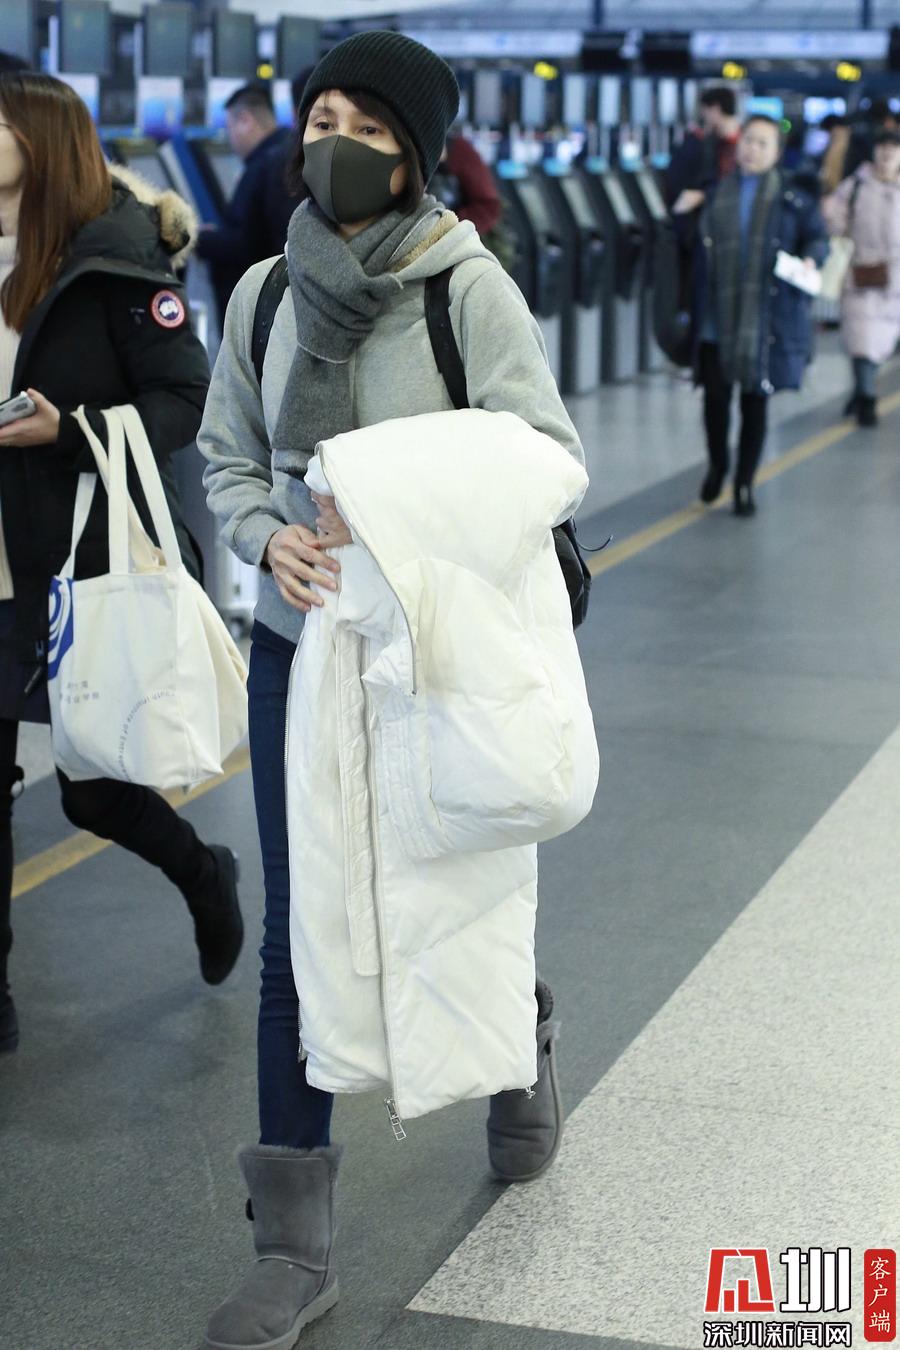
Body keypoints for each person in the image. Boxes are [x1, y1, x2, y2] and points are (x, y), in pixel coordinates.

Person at [198, 30, 586, 1350]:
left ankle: (520, 1036)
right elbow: (229, 455)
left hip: (434, 649)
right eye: (324, 119)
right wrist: (269, 536)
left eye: (370, 128)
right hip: (297, 647)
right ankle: (292, 1248)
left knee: (458, 873)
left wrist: (386, 503)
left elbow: (546, 455)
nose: (339, 146)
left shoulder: (462, 286)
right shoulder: (263, 294)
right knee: (299, 930)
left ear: (415, 155)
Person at [0, 73, 244, 1054]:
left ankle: (203, 872)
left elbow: (185, 400)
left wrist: (70, 430)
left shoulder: (114, 258)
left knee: (89, 785)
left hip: (66, 555)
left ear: (41, 141)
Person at [678, 114, 828, 516]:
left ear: (776, 153)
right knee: (715, 398)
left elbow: (818, 237)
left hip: (764, 318)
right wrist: (682, 211)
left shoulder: (792, 198)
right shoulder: (714, 192)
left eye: (763, 143)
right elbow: (684, 247)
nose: (752, 149)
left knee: (754, 401)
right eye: (748, 140)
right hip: (716, 316)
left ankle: (744, 483)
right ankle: (718, 466)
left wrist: (812, 259)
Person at [195, 83, 294, 324]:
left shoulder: (264, 165)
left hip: (259, 306)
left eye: (229, 128)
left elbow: (246, 244)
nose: (230, 139)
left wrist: (199, 239)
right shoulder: (287, 151)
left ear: (246, 121)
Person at [823, 129, 900, 427]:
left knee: (881, 342)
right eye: (883, 146)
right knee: (862, 338)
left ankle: (860, 391)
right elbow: (836, 223)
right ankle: (866, 397)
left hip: (896, 279)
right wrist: (830, 214)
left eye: (893, 147)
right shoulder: (855, 185)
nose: (887, 153)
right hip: (861, 274)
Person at [666, 85, 741, 214]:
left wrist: (703, 195)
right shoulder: (711, 142)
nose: (703, 117)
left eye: (705, 111)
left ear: (716, 109)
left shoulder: (735, 145)